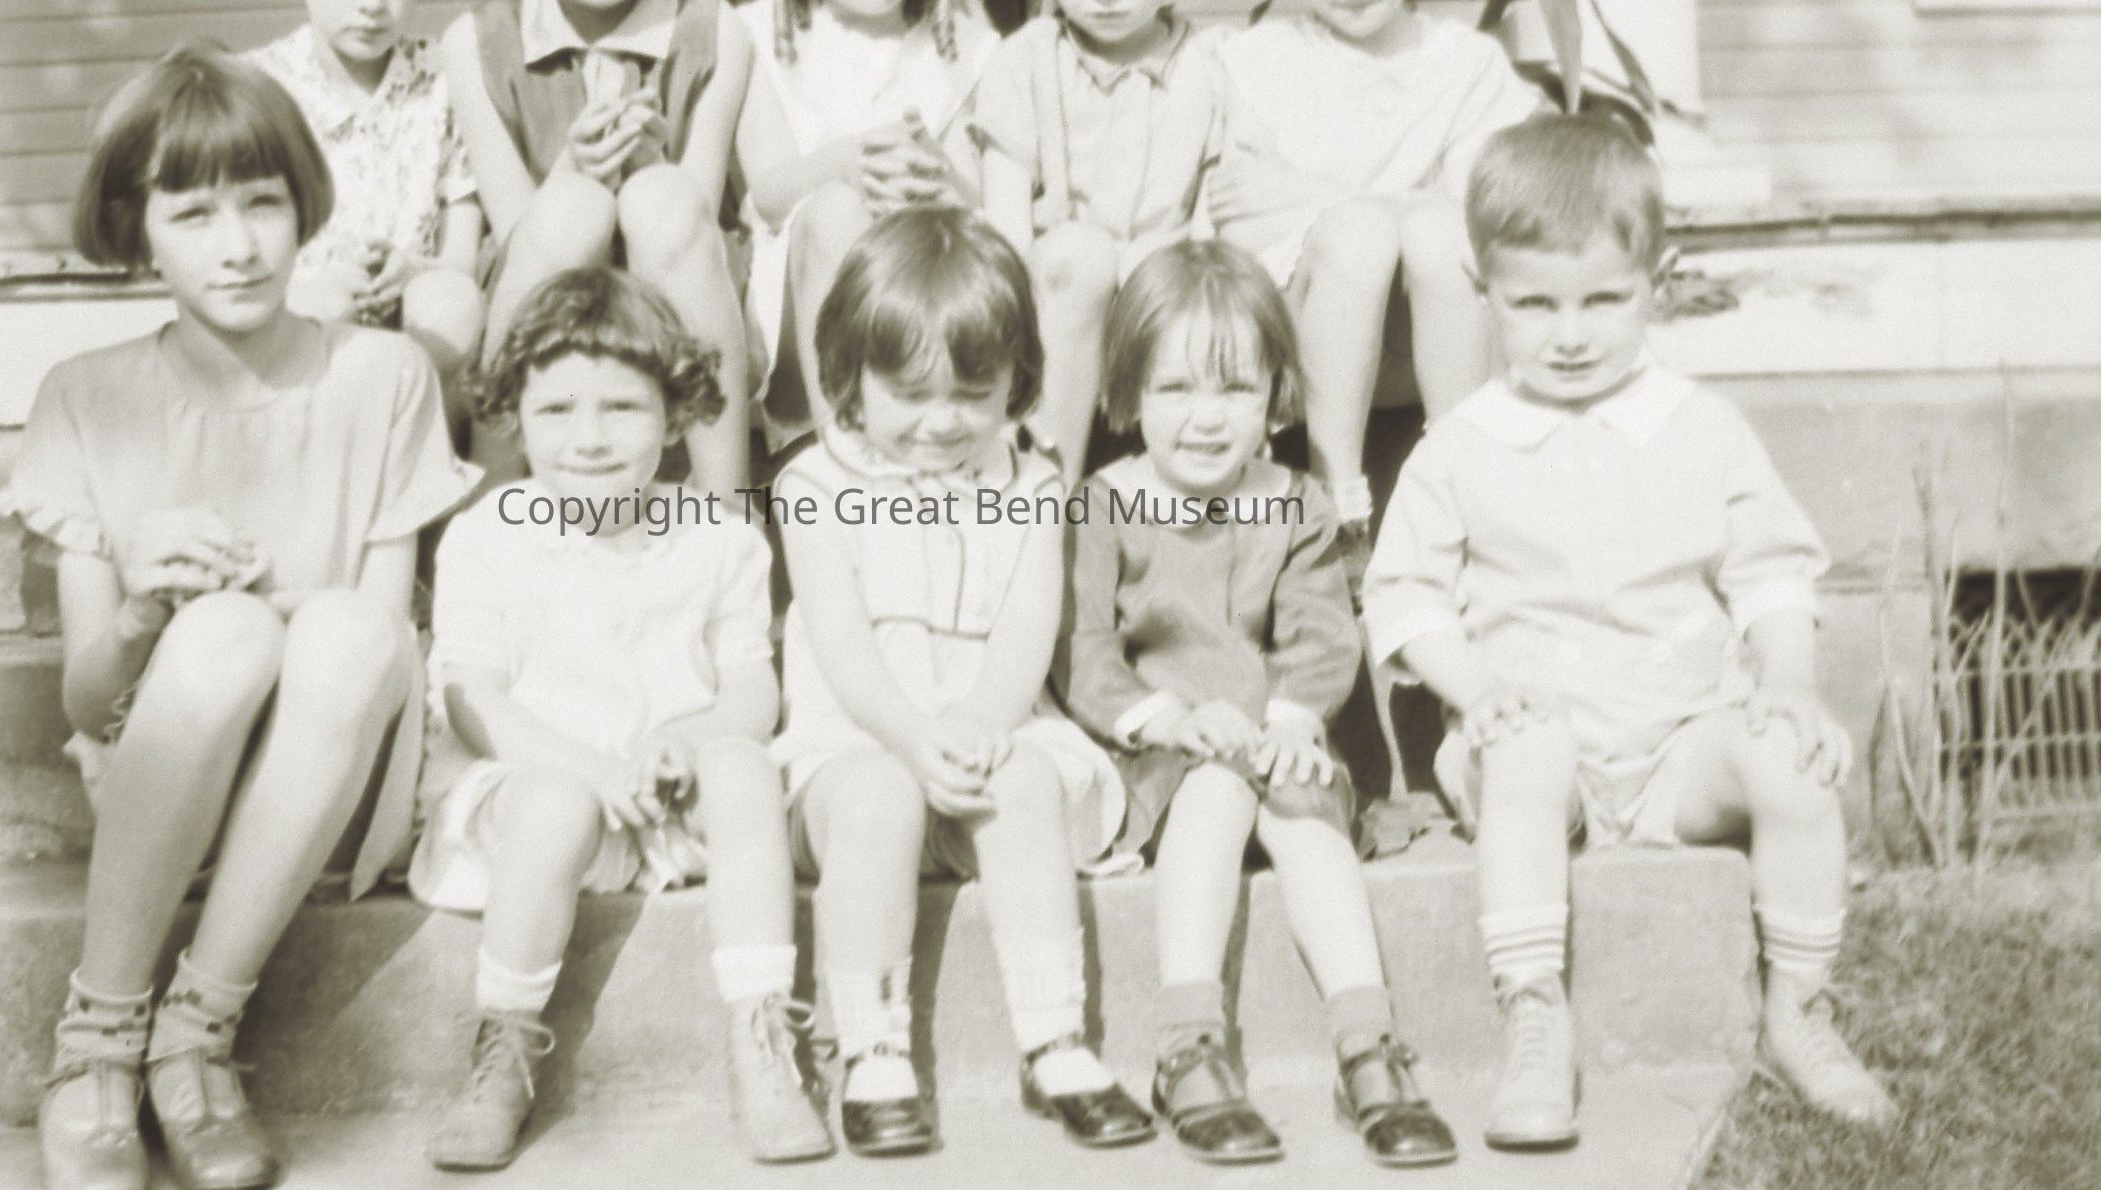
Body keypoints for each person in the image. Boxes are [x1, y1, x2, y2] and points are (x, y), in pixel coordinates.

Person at [0, 44, 479, 1190]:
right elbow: (90, 703)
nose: (240, 243)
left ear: (304, 207)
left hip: (334, 771)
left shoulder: (384, 373)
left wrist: (243, 603)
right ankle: (98, 1039)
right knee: (220, 634)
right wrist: (142, 605)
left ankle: (195, 1033)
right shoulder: (84, 395)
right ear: (137, 227)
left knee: (333, 629)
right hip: (162, 770)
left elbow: (373, 635)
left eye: (262, 202)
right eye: (193, 212)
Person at [1363, 114, 1899, 1150]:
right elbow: (1405, 598)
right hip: (1532, 753)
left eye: (1603, 299)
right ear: (1483, 291)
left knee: (1789, 765)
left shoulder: (1698, 426)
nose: (1569, 334)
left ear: (1656, 281)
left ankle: (1797, 1007)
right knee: (1527, 747)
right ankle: (1533, 1013)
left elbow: (1769, 571)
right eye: (1533, 304)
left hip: (1675, 746)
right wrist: (1476, 690)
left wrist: (1786, 683)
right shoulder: (1461, 445)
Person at [411, 269, 828, 1170]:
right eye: (556, 410)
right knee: (555, 804)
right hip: (531, 798)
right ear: (514, 416)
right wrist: (593, 770)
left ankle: (761, 1036)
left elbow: (752, 691)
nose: (589, 438)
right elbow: (474, 699)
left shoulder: (718, 537)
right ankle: (505, 1043)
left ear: (675, 417)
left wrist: (688, 742)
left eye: (623, 408)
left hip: (668, 800)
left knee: (743, 768)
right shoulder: (488, 535)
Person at [1059, 239, 1457, 1168]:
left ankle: (1367, 1044)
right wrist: (1166, 720)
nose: (1206, 418)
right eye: (1174, 389)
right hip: (1161, 759)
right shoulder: (1101, 506)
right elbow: (1082, 653)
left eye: (1235, 389)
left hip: (1275, 741)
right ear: (1128, 393)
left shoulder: (1292, 502)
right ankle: (1187, 1045)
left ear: (1275, 395)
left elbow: (1320, 634)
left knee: (1302, 804)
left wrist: (1289, 722)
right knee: (1214, 787)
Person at [773, 207, 1150, 1157]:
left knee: (1021, 777)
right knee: (875, 794)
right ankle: (871, 1049)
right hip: (859, 744)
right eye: (909, 394)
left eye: (973, 394)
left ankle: (1054, 1041)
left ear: (1017, 383)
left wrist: (982, 718)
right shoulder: (813, 486)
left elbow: (1026, 623)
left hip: (991, 734)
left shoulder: (1032, 484)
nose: (942, 421)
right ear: (848, 379)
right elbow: (839, 642)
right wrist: (910, 735)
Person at [1213, 0, 1539, 567]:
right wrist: (1369, 210)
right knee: (1360, 237)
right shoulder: (1255, 62)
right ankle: (1334, 500)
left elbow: (1475, 219)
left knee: (1435, 233)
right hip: (1301, 358)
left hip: (1432, 349)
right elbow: (1235, 218)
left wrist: (1311, 194)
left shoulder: (1464, 64)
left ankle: (1463, 489)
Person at [443, 0, 754, 499]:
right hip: (540, 276)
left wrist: (648, 162)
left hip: (678, 283)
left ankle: (728, 507)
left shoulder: (712, 30)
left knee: (661, 197)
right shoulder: (476, 42)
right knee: (572, 209)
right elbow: (518, 225)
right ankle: (494, 496)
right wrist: (572, 170)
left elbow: (694, 216)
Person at [734, 0, 998, 446]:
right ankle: (844, 455)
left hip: (927, 298)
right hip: (803, 310)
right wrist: (842, 163)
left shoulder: (965, 47)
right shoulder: (758, 36)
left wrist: (940, 176)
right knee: (837, 212)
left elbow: (981, 199)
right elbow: (766, 193)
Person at [975, 0, 1223, 478]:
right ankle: (1045, 494)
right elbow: (1004, 230)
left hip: (1165, 299)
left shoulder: (1210, 66)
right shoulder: (1024, 61)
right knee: (1078, 253)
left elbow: (1215, 218)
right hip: (1053, 306)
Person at [246, 0, 485, 391]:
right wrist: (321, 285)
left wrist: (414, 270)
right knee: (322, 306)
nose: (373, 0)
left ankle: (409, 433)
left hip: (417, 337)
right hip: (304, 317)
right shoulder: (261, 88)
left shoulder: (445, 80)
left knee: (451, 302)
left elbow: (461, 258)